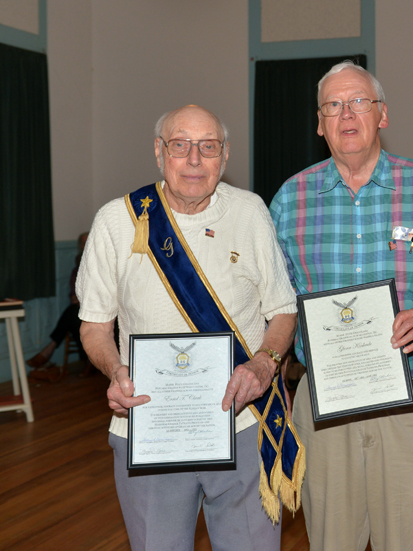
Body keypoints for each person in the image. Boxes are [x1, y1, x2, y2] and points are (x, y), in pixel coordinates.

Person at [270, 61, 413, 551]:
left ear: (382, 114)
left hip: (412, 401)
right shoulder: (288, 200)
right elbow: (277, 304)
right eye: (333, 105)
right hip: (324, 408)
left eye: (359, 101)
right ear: (319, 123)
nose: (347, 113)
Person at [77, 105, 300, 551]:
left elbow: (284, 309)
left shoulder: (250, 211)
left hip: (244, 424)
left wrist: (264, 363)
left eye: (208, 147)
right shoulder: (117, 221)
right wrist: (115, 371)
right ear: (159, 152)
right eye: (180, 145)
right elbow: (94, 327)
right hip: (151, 432)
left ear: (225, 154)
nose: (194, 159)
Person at [27, 231, 90, 380]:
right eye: (82, 243)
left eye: (88, 241)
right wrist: (79, 298)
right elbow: (74, 291)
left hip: (101, 307)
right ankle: (89, 361)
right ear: (79, 246)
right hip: (82, 307)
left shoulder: (104, 262)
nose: (85, 245)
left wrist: (84, 299)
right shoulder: (79, 264)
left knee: (73, 314)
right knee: (75, 316)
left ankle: (50, 348)